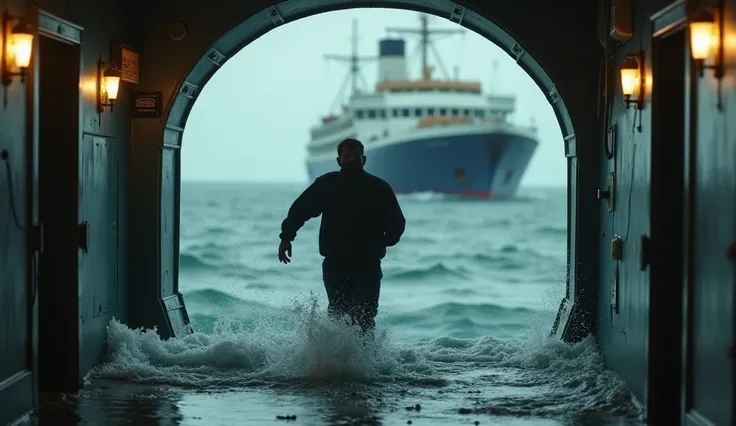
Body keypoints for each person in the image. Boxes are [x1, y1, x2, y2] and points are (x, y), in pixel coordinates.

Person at [278, 137, 406, 334]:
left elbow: (397, 224)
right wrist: (287, 237)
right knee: (339, 316)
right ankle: (339, 363)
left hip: (368, 265)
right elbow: (300, 210)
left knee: (365, 317)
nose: (351, 160)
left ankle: (361, 363)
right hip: (336, 264)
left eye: (355, 157)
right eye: (347, 157)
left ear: (364, 159)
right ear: (339, 161)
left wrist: (379, 243)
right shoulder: (327, 184)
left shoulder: (379, 188)